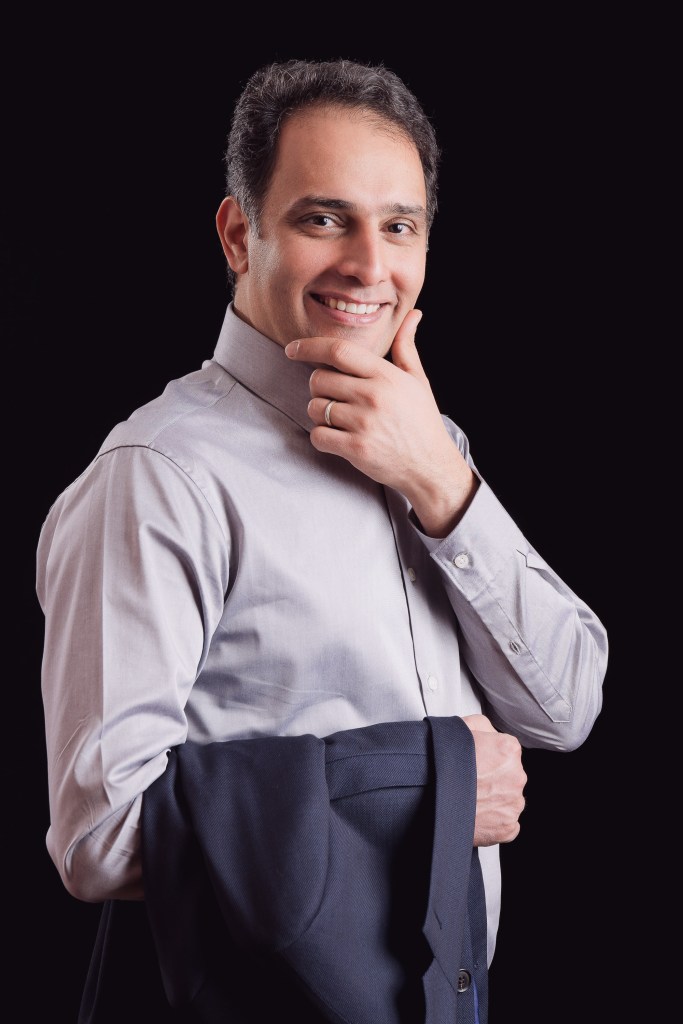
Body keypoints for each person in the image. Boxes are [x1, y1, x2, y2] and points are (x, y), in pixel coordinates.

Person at [36, 58, 608, 1020]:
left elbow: (568, 706)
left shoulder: (430, 446)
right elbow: (100, 835)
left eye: (399, 226)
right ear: (238, 234)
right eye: (323, 219)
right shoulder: (159, 475)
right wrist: (428, 791)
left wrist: (441, 482)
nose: (369, 266)